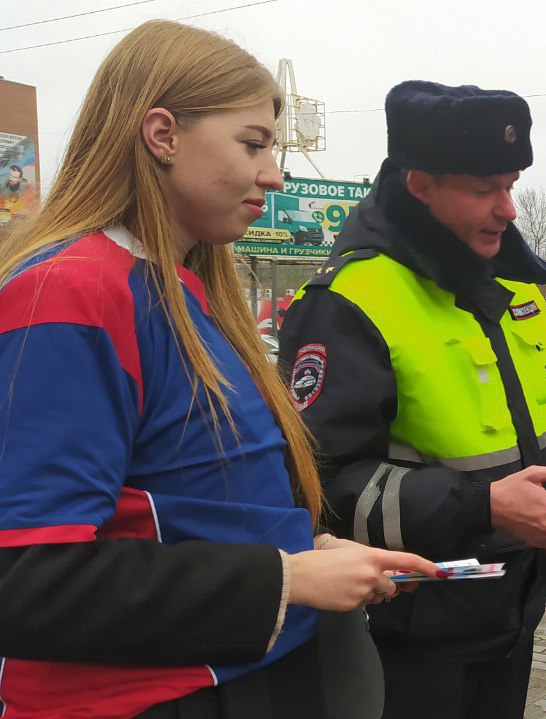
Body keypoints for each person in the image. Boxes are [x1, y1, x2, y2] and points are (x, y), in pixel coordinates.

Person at [0, 21, 440, 719]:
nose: (274, 172)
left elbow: (191, 501)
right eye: (253, 143)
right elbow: (27, 579)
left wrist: (318, 550)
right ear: (162, 135)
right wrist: (289, 575)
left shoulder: (182, 290)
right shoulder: (72, 292)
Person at [277, 80, 546, 719]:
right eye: (485, 189)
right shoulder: (348, 300)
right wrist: (483, 507)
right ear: (420, 184)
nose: (508, 209)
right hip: (406, 635)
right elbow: (318, 488)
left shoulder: (507, 280)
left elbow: (544, 406)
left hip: (510, 614)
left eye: (511, 184)